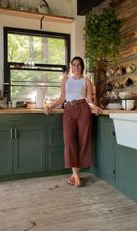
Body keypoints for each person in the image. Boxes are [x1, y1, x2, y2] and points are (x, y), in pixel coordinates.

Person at [44, 56, 103, 187]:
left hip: (83, 109)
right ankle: (76, 175)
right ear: (71, 66)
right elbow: (62, 98)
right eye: (74, 64)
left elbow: (89, 100)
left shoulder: (86, 81)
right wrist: (50, 106)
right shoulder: (65, 80)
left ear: (82, 67)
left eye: (79, 65)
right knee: (69, 141)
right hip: (69, 109)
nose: (76, 67)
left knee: (83, 141)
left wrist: (96, 107)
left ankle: (74, 175)